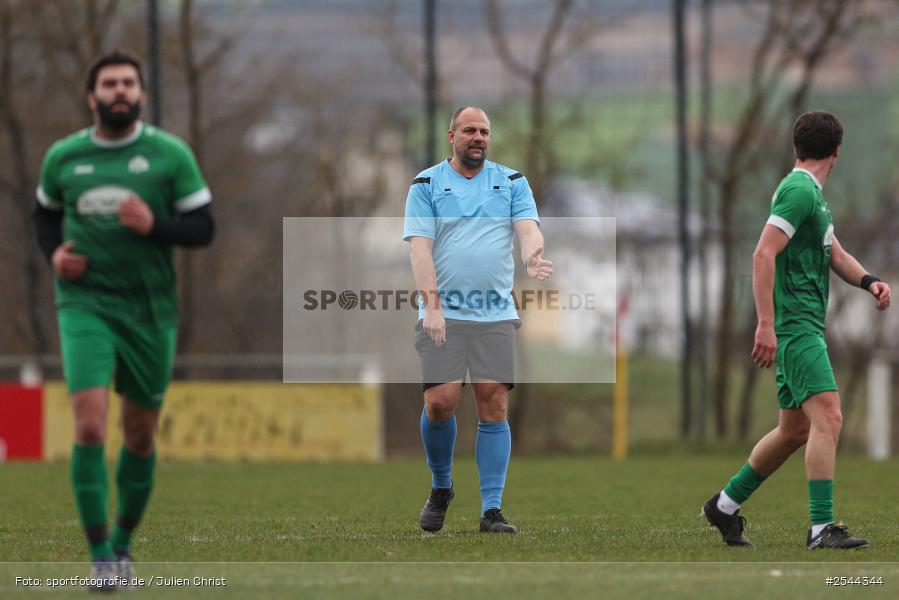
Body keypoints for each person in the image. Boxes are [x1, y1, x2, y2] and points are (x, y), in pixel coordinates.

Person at [32, 49, 214, 589]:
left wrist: (154, 224)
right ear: (92, 97)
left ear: (141, 95)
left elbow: (203, 228)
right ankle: (100, 558)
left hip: (150, 311)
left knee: (138, 436)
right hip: (85, 304)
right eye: (109, 83)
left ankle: (123, 542)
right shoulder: (63, 157)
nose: (119, 90)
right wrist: (54, 257)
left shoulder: (169, 155)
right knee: (88, 424)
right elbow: (43, 214)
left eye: (128, 83)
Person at [701, 111, 891, 550]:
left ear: (797, 147)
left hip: (799, 327)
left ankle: (724, 507)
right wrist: (766, 325)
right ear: (837, 152)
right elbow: (762, 254)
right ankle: (821, 528)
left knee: (794, 431)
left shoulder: (811, 197)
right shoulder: (799, 191)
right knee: (829, 415)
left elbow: (836, 254)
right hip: (795, 328)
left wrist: (869, 281)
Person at [403, 106, 553, 535]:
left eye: (485, 131)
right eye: (469, 130)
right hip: (443, 312)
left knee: (493, 399)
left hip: (495, 313)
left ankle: (492, 511)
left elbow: (528, 229)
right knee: (440, 403)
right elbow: (419, 249)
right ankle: (441, 486)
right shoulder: (426, 184)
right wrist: (432, 305)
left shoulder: (512, 182)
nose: (478, 137)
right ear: (451, 135)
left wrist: (533, 253)